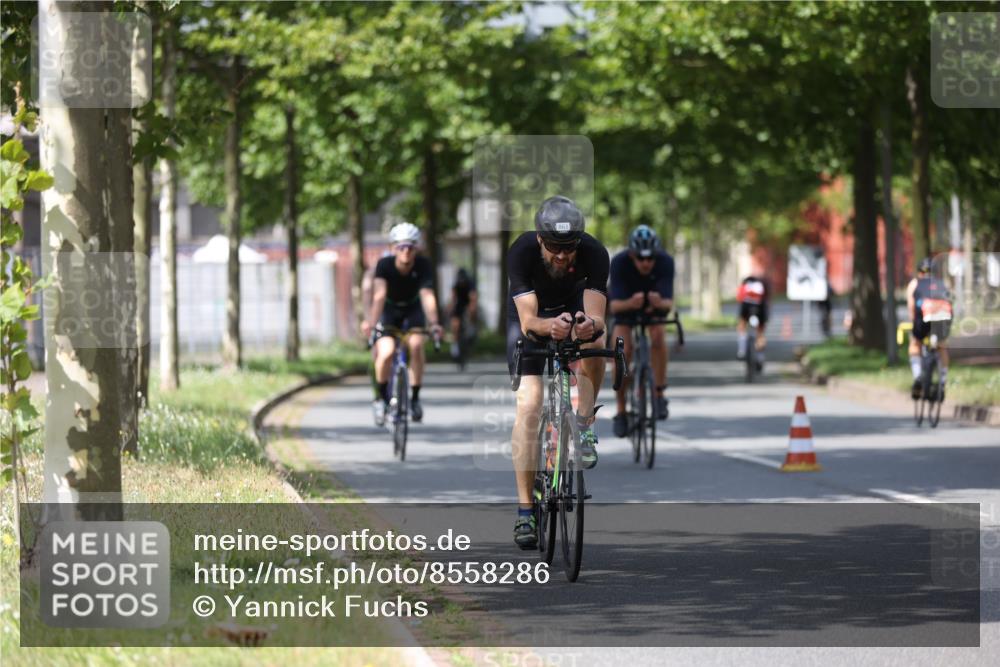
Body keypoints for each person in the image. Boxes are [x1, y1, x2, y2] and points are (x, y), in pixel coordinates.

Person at [507, 195, 610, 549]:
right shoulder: (520, 251)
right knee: (530, 404)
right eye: (554, 247)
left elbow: (598, 317)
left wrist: (587, 325)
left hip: (572, 309)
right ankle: (525, 511)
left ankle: (583, 426)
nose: (562, 255)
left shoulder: (595, 253)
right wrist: (551, 325)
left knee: (599, 341)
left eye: (569, 247)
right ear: (540, 240)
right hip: (532, 320)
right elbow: (528, 321)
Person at [361, 223, 443, 425]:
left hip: (412, 310)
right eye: (400, 247)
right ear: (393, 248)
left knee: (415, 344)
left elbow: (427, 295)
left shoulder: (423, 265)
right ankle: (381, 399)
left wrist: (434, 323)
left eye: (410, 247)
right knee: (387, 351)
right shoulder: (385, 265)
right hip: (389, 310)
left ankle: (414, 398)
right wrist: (371, 323)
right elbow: (379, 296)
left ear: (417, 248)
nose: (406, 251)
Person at [609, 225, 675, 437]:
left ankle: (659, 393)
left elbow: (668, 304)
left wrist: (659, 302)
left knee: (658, 335)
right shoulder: (619, 263)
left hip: (653, 311)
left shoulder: (665, 262)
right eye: (640, 258)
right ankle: (621, 410)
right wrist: (631, 303)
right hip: (625, 311)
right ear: (631, 254)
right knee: (623, 350)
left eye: (650, 258)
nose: (646, 263)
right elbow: (614, 306)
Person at [906, 257, 952, 399]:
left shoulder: (914, 283)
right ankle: (943, 381)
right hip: (943, 315)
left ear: (920, 272)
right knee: (942, 346)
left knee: (915, 344)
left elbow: (912, 308)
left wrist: (914, 325)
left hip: (924, 317)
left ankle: (918, 376)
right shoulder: (943, 283)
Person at [736, 274, 769, 367]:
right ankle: (760, 357)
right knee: (760, 333)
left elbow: (739, 298)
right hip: (760, 308)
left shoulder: (744, 286)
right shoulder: (762, 286)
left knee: (741, 326)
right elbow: (767, 301)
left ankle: (741, 351)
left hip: (746, 307)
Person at [447, 268, 478, 361]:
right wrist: (450, 309)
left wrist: (471, 310)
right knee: (455, 323)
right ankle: (455, 345)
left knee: (472, 310)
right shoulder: (455, 284)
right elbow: (453, 298)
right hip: (459, 303)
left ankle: (472, 328)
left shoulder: (470, 283)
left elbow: (473, 298)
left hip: (468, 302)